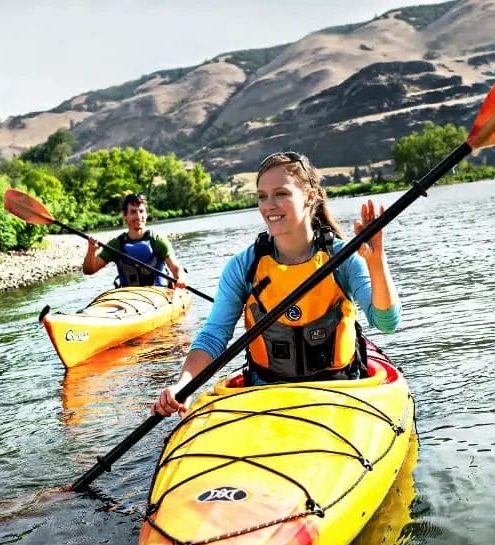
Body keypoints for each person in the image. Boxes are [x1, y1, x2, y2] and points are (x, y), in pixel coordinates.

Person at [153, 151, 400, 417]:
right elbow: (213, 336)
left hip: (339, 392)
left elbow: (386, 323)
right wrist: (184, 385)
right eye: (262, 196)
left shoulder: (343, 259)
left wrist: (377, 261)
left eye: (281, 193)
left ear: (309, 196)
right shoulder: (243, 266)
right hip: (267, 396)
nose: (268, 205)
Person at [83, 192, 188, 288]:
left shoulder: (157, 241)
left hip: (159, 294)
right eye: (133, 212)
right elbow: (89, 270)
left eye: (141, 211)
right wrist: (91, 250)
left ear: (146, 214)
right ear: (125, 216)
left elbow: (176, 268)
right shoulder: (116, 244)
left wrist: (181, 278)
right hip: (130, 296)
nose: (138, 216)